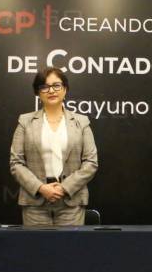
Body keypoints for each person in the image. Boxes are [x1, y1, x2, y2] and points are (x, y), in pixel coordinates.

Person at [10, 67, 98, 226]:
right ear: (38, 92)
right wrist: (41, 188)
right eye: (44, 87)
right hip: (35, 203)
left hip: (71, 202)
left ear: (65, 89)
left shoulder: (81, 122)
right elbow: (16, 163)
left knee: (69, 243)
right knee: (36, 244)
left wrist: (64, 188)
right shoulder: (25, 122)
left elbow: (91, 163)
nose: (51, 90)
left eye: (56, 85)